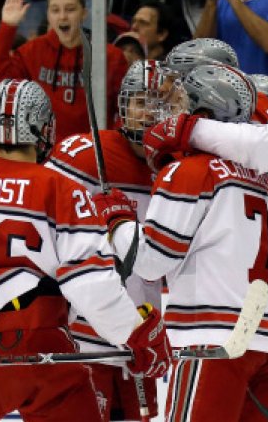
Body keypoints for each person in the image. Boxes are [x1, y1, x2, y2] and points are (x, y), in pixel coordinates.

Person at [0, 78, 171, 421]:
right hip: (43, 343)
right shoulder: (63, 190)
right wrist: (136, 333)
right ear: (43, 128)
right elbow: (90, 284)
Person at [98, 63, 268, 420]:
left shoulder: (189, 170)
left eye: (183, 104)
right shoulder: (261, 177)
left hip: (215, 336)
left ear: (204, 113)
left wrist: (119, 220)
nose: (175, 113)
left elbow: (151, 261)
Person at [47, 59, 185, 420]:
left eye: (162, 102)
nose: (151, 111)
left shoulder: (180, 169)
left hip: (144, 332)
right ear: (124, 105)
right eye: (141, 101)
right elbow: (44, 229)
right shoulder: (82, 154)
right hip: (82, 332)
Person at [0, 0, 129, 142]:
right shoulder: (33, 51)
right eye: (55, 10)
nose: (62, 17)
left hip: (92, 152)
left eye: (70, 9)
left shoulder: (108, 56)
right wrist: (8, 26)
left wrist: (112, 142)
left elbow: (126, 108)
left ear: (84, 14)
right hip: (45, 152)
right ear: (48, 15)